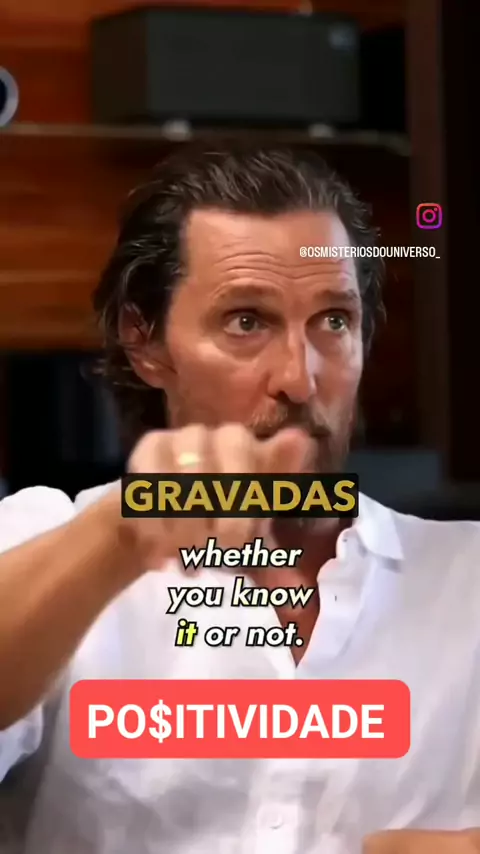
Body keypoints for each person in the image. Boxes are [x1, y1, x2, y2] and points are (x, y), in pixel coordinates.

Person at [0, 144, 480, 854]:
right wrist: (118, 537)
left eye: (334, 321)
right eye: (247, 321)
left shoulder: (466, 582)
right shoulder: (45, 540)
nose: (299, 378)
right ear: (145, 341)